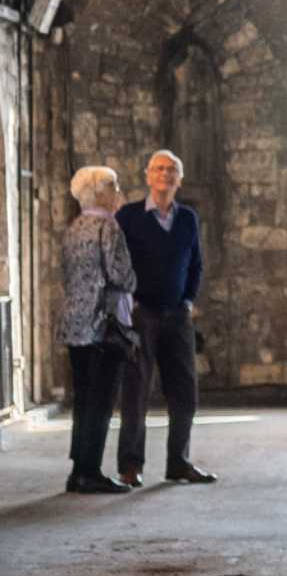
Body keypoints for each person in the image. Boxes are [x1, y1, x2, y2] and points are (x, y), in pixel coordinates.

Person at [115, 149, 215, 485]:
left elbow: (196, 264)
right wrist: (130, 301)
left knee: (185, 391)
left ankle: (178, 462)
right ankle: (131, 465)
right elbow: (119, 263)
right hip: (142, 313)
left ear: (179, 179)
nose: (165, 175)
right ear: (147, 176)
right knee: (136, 390)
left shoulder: (187, 219)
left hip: (177, 314)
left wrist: (188, 300)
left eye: (171, 170)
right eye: (159, 169)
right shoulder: (129, 216)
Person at [61, 167, 137, 494]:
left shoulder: (74, 227)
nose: (118, 192)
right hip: (101, 323)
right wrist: (135, 282)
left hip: (74, 322)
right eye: (114, 187)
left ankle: (79, 468)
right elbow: (120, 273)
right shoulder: (108, 226)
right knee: (102, 399)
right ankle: (89, 471)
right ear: (101, 192)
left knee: (83, 398)